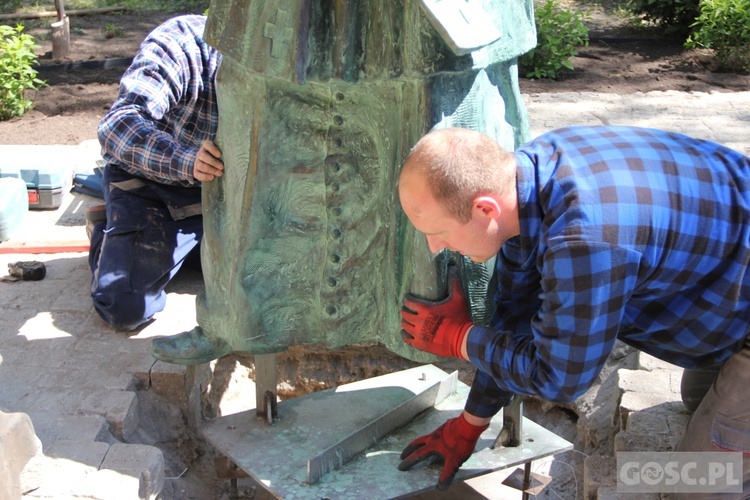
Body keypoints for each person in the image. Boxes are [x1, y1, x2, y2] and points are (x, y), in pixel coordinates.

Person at [397, 125, 750, 496]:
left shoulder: (584, 240)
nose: (435, 247)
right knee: (698, 398)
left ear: (485, 209)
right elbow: (517, 314)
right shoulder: (531, 175)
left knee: (696, 482)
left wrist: (460, 338)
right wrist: (470, 424)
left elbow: (559, 377)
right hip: (731, 284)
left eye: (438, 232)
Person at [88, 14, 224, 331]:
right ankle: (107, 233)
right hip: (154, 190)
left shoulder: (288, 58)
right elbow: (118, 125)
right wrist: (186, 160)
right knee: (124, 305)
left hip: (227, 199)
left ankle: (190, 249)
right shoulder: (182, 42)